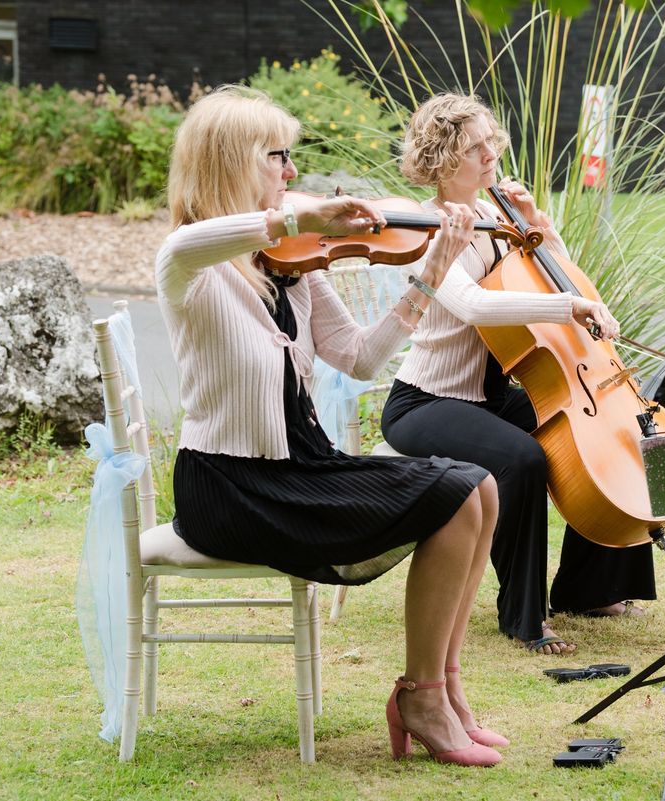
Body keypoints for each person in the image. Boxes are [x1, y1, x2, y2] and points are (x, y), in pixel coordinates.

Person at [155, 85, 506, 766]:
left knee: (480, 485)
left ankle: (443, 686)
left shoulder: (292, 266)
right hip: (231, 484)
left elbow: (360, 357)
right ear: (229, 163)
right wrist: (298, 218)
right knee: (456, 494)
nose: (291, 174)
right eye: (276, 157)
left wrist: (430, 272)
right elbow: (194, 239)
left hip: (302, 461)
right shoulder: (188, 266)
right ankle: (423, 698)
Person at [380, 93, 656, 657]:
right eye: (473, 146)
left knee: (609, 429)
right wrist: (567, 309)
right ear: (442, 159)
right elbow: (478, 306)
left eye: (491, 141)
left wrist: (540, 230)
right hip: (425, 403)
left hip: (487, 395)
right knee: (521, 459)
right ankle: (522, 615)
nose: (490, 154)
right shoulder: (432, 231)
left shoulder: (500, 218)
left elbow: (560, 278)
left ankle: (591, 585)